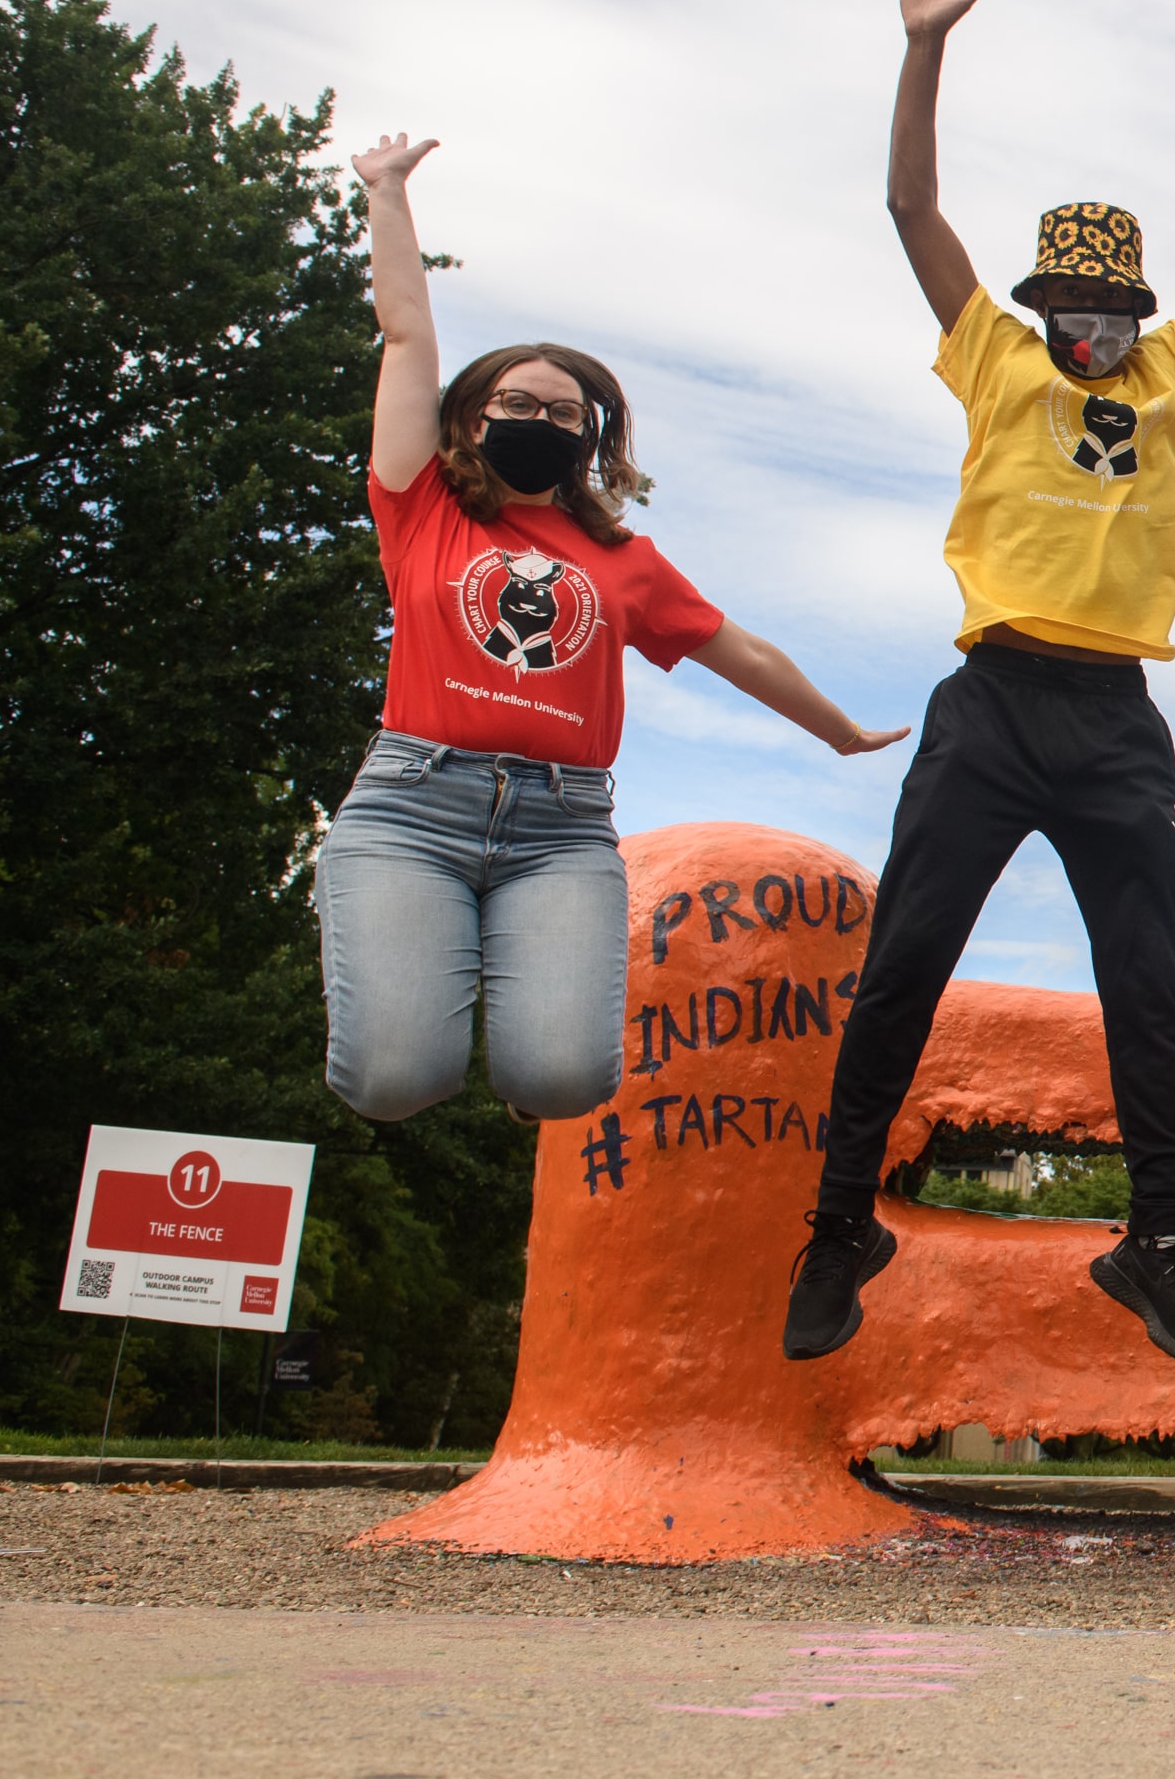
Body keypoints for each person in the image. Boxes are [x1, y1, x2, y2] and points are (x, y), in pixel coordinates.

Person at [784, 0, 1175, 1370]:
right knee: (905, 961)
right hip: (997, 700)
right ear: (1039, 310)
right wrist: (925, 44)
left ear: (1136, 318)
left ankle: (1154, 1242)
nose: (1090, 334)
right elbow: (910, 204)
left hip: (1117, 716)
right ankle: (839, 1225)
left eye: (1111, 314)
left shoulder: (1174, 377)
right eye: (1070, 310)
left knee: (1144, 984)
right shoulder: (995, 360)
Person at [329, 134, 903, 1130]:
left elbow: (743, 651)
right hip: (414, 811)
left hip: (560, 830)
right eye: (517, 402)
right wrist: (387, 196)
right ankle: (417, 990)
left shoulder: (620, 560)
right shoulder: (421, 504)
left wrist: (838, 730)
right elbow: (407, 336)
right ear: (472, 419)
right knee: (392, 1081)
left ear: (588, 441)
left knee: (561, 1082)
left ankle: (526, 1026)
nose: (540, 419)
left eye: (565, 413)